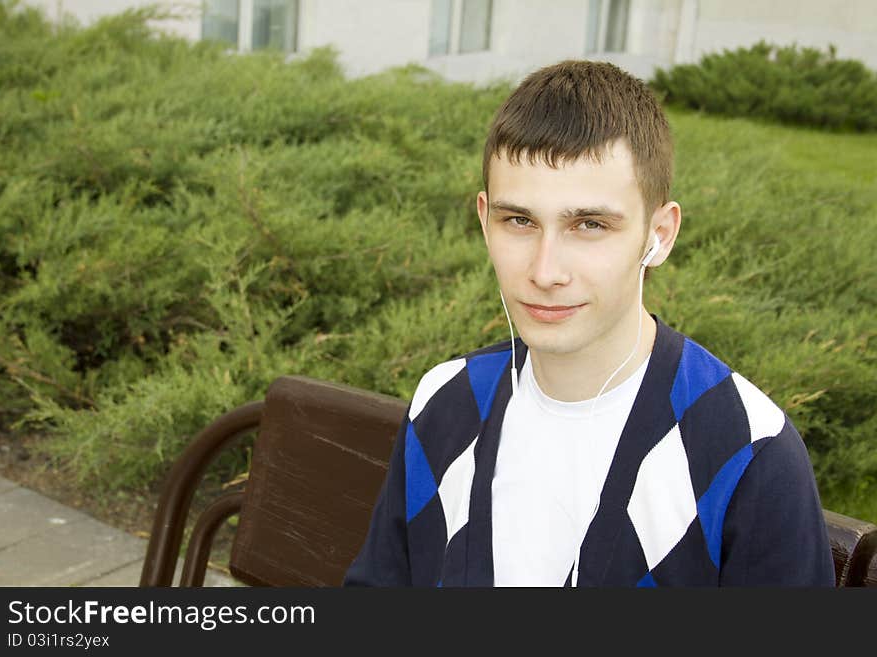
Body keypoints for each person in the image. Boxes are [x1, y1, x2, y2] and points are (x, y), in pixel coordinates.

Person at [343, 60, 835, 587]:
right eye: (520, 221)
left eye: (590, 224)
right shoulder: (447, 400)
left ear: (660, 234)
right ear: (484, 220)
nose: (545, 271)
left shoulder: (746, 449)